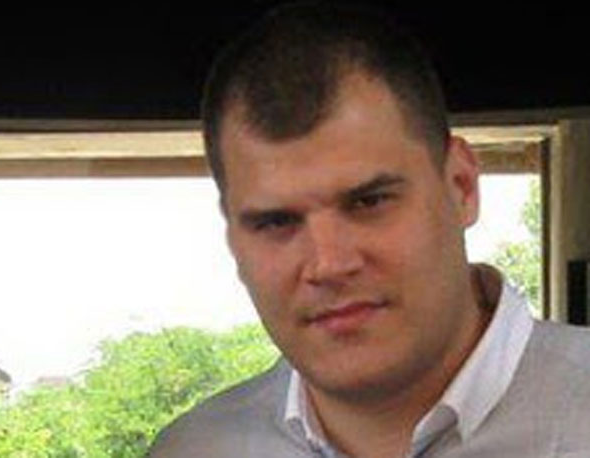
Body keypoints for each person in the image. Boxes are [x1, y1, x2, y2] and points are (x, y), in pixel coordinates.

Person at [148, 3, 590, 457]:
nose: (329, 264)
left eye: (369, 202)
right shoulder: (193, 449)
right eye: (276, 222)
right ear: (234, 243)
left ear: (461, 186)